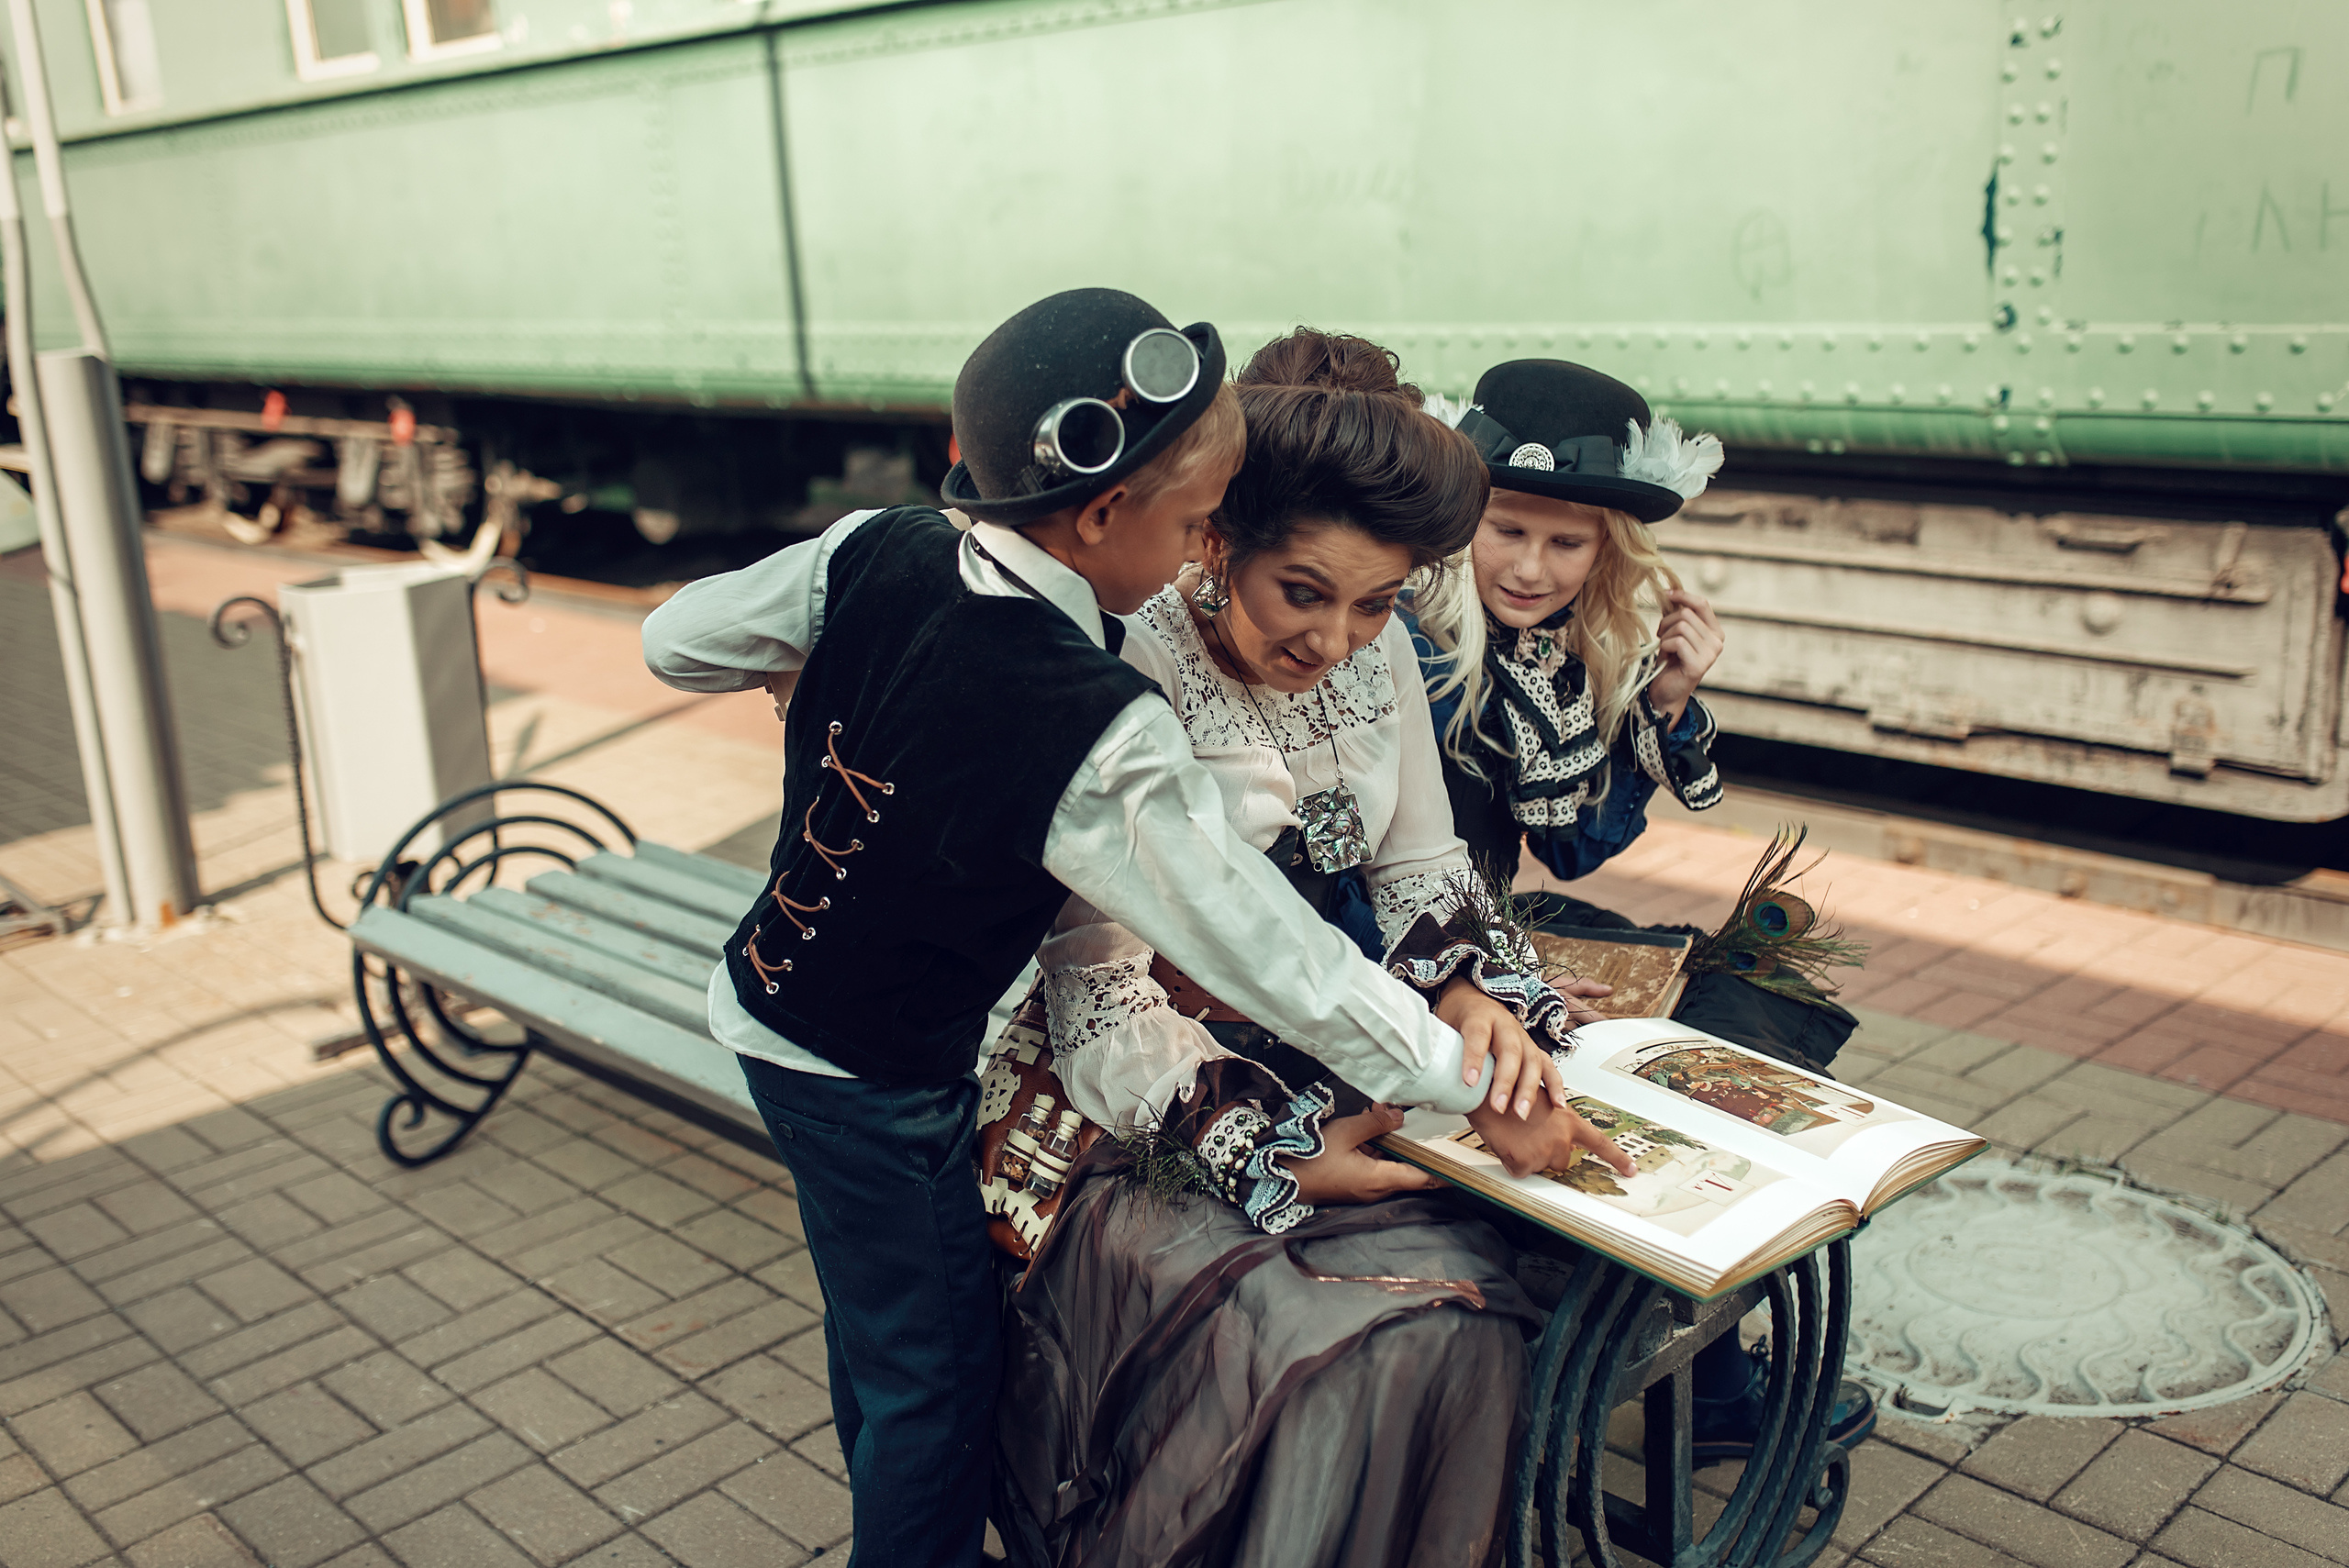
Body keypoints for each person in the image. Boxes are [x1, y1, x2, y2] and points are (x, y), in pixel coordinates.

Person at [640, 292, 1595, 1568]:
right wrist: (1456, 1075)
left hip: (769, 1002)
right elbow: (1265, 947)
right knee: (937, 1383)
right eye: (1205, 522)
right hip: (880, 1062)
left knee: (884, 1336)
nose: (1208, 546)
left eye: (1372, 606)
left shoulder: (882, 546)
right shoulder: (1095, 714)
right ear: (1108, 515)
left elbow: (672, 638)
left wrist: (819, 663)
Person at [995, 329, 1634, 1568]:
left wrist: (1465, 991)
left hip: (1329, 1030)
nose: (1338, 640)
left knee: (1501, 1271)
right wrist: (1274, 1156)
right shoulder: (1127, 667)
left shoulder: (1382, 651)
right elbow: (1102, 994)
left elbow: (1417, 867)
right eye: (1304, 592)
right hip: (1137, 1085)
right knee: (1338, 1332)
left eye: (1378, 601)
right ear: (1214, 542)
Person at [1403, 358, 1875, 1464]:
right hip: (1418, 960)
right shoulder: (1413, 640)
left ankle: (1704, 1373)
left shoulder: (1546, 648)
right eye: (1507, 528)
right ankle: (1685, 1380)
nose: (1530, 566)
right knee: (1701, 1042)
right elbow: (1396, 875)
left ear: (1608, 551)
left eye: (1566, 543)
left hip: (1488, 932)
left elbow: (1573, 842)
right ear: (1462, 513)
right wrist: (1493, 976)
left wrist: (1661, 703)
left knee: (1742, 1013)